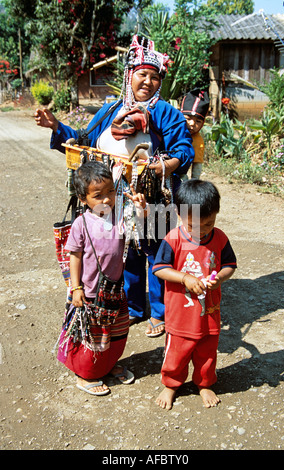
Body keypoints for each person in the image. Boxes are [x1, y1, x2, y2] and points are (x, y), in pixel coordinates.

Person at [35, 35, 194, 338]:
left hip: (154, 195)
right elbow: (84, 139)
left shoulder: (167, 114)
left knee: (156, 251)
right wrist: (57, 126)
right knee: (127, 251)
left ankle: (159, 313)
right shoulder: (110, 111)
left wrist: (162, 167)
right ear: (128, 76)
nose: (147, 81)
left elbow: (184, 151)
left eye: (154, 76)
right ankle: (135, 308)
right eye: (142, 74)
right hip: (115, 194)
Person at [57, 161, 147, 396]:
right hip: (88, 293)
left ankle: (106, 365)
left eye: (110, 192)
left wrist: (140, 208)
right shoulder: (82, 223)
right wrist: (75, 288)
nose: (106, 200)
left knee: (116, 333)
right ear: (83, 198)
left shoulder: (119, 216)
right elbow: (74, 257)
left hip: (115, 291)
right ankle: (86, 374)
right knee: (92, 336)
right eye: (98, 195)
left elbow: (141, 224)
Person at [152, 179, 237, 409]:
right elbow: (159, 269)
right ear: (179, 215)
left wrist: (220, 277)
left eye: (209, 223)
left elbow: (230, 264)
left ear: (216, 214)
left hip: (209, 312)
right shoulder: (174, 239)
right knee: (177, 352)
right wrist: (185, 278)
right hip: (180, 314)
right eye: (194, 226)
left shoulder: (220, 238)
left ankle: (204, 383)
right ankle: (171, 384)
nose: (202, 231)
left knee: (207, 351)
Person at [180, 89, 209, 179]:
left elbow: (197, 165)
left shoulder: (197, 142)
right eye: (188, 119)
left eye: (198, 121)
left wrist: (194, 182)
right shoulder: (171, 132)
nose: (192, 124)